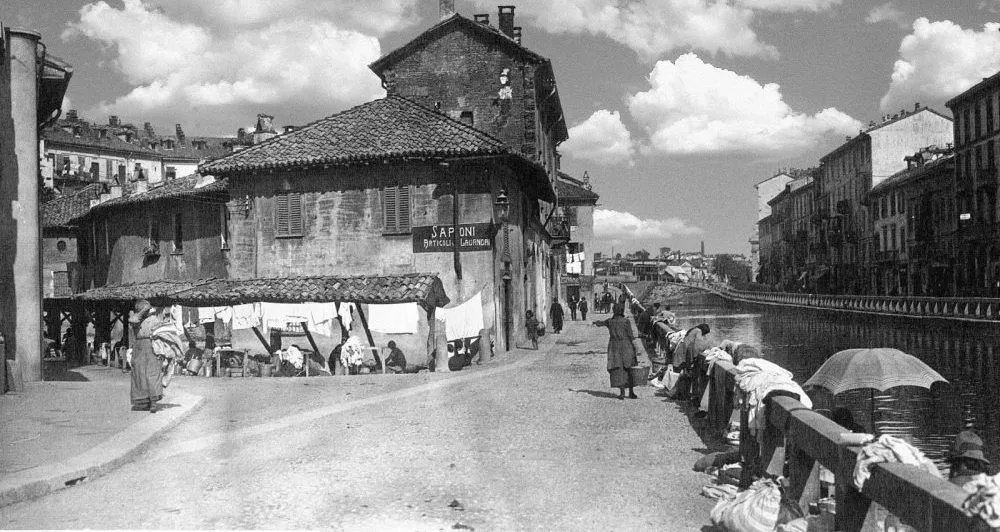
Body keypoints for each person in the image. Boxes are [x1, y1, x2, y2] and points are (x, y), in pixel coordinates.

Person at [594, 303, 639, 400]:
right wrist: (635, 347)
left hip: (614, 347)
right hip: (626, 346)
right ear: (622, 310)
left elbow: (600, 323)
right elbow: (631, 335)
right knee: (629, 368)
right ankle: (631, 392)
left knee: (618, 369)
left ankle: (622, 393)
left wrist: (595, 322)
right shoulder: (626, 321)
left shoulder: (610, 321)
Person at [128, 300, 163, 413]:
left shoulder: (154, 320)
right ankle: (145, 401)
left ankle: (153, 402)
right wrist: (142, 311)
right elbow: (133, 320)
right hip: (138, 347)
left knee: (152, 374)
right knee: (139, 374)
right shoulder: (135, 319)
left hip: (152, 345)